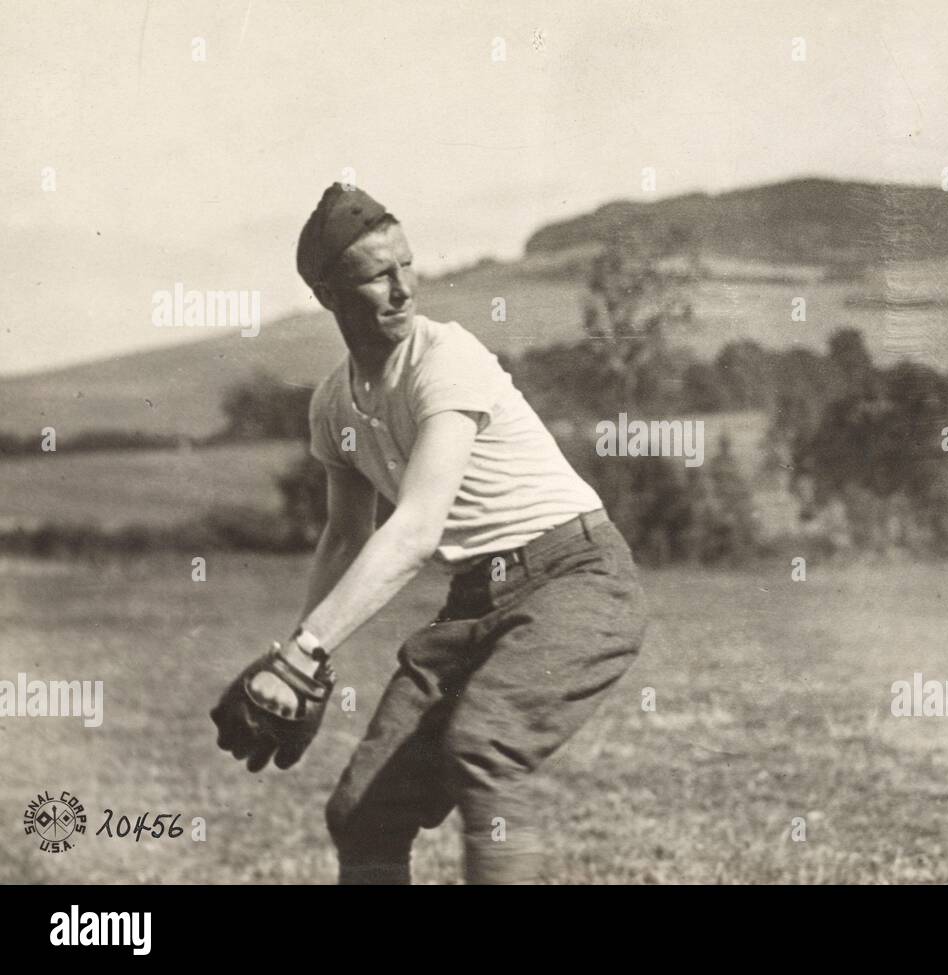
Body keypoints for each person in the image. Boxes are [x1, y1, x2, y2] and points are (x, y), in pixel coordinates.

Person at [210, 183, 648, 884]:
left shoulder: (448, 356)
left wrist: (301, 654)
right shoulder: (332, 405)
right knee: (362, 813)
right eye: (377, 274)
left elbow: (415, 528)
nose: (402, 287)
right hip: (474, 605)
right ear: (328, 294)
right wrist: (303, 660)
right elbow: (347, 538)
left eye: (407, 265)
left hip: (577, 576)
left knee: (485, 746)